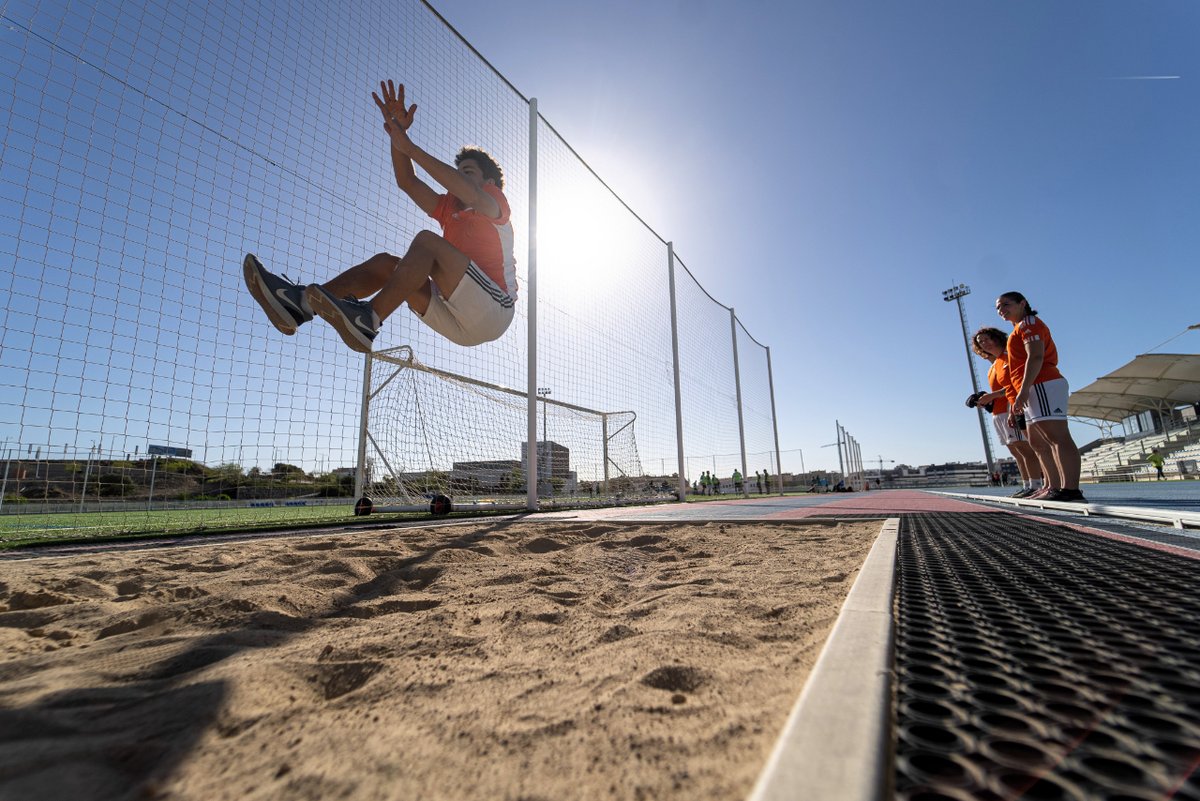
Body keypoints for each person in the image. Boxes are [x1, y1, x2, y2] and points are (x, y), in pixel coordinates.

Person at [244, 80, 516, 352]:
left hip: (495, 309)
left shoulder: (495, 203)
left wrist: (411, 149)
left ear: (489, 180)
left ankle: (368, 319)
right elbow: (407, 181)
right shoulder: (449, 208)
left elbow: (473, 195)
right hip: (457, 317)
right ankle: (298, 305)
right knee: (388, 264)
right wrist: (398, 133)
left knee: (427, 241)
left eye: (467, 172)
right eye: (458, 172)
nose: (458, 177)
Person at [995, 292, 1085, 502]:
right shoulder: (1019, 328)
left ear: (1022, 303)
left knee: (1057, 437)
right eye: (998, 307)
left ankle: (1071, 490)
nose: (1001, 310)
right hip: (1032, 387)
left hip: (1042, 383)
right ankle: (1054, 486)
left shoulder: (1029, 324)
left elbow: (1036, 356)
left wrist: (1024, 389)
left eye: (1006, 304)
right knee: (1041, 441)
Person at [970, 326, 1045, 499]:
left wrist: (994, 397)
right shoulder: (993, 367)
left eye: (987, 339)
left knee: (1025, 449)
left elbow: (1014, 386)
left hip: (1010, 408)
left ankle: (1036, 484)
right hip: (998, 413)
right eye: (981, 342)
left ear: (997, 338)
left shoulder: (1008, 357)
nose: (984, 344)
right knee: (1016, 452)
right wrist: (986, 401)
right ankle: (1027, 485)